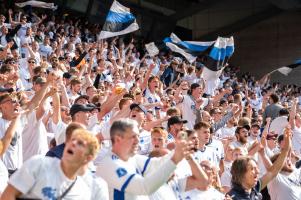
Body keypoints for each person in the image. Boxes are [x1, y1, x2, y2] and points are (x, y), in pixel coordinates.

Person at [96, 118, 192, 200]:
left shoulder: (132, 158)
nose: (138, 140)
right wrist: (175, 158)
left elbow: (156, 163)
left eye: (138, 136)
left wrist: (178, 151)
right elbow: (144, 187)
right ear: (118, 139)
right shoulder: (110, 164)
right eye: (133, 137)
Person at [1, 129, 100, 199]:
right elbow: (8, 195)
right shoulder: (39, 164)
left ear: (88, 158)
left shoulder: (82, 192)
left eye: (80, 143)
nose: (73, 143)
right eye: (72, 140)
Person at [227, 127, 291, 200]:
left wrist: (286, 149)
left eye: (256, 168)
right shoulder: (232, 197)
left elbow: (273, 171)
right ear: (242, 172)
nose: (258, 172)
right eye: (252, 169)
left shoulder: (255, 187)